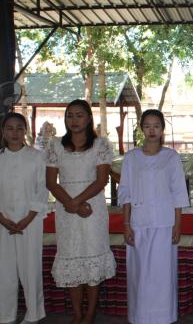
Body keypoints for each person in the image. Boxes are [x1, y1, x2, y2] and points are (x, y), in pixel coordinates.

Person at [46, 99, 116, 324]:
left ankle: (89, 314)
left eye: (79, 115)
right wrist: (71, 205)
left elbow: (101, 180)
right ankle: (77, 314)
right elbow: (51, 182)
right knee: (71, 260)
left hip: (92, 207)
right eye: (70, 115)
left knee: (92, 259)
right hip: (66, 210)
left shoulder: (100, 144)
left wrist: (76, 203)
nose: (74, 120)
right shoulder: (55, 145)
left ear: (88, 118)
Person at [118, 109, 189, 324]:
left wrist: (178, 224)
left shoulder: (171, 157)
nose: (152, 130)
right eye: (147, 125)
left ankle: (163, 317)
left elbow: (178, 192)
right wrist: (126, 224)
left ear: (162, 129)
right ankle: (140, 317)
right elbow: (126, 192)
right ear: (141, 129)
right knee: (140, 276)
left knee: (162, 276)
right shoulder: (131, 158)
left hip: (165, 223)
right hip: (139, 223)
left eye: (156, 125)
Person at [0, 113, 48, 324]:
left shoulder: (36, 157)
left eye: (19, 128)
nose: (15, 133)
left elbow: (42, 188)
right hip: (2, 222)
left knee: (31, 269)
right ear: (3, 132)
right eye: (9, 128)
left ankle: (34, 313)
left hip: (31, 221)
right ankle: (6, 315)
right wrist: (2, 219)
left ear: (25, 130)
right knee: (4, 270)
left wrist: (28, 218)